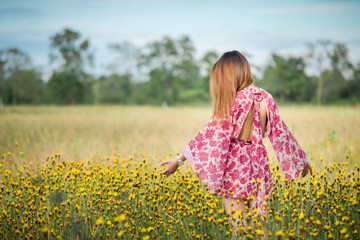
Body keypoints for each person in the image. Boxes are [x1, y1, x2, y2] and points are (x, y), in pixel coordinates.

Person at [159, 50, 312, 235]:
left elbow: (207, 135)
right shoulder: (265, 98)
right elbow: (280, 133)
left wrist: (179, 160)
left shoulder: (231, 102)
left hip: (234, 170)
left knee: (239, 229)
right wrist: (300, 161)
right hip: (258, 166)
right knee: (260, 226)